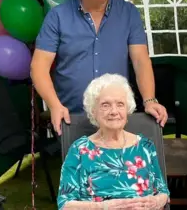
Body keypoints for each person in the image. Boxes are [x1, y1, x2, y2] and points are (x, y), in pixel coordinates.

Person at [31, 0, 167, 135]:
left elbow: (140, 60)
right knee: (77, 166)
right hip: (71, 117)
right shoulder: (57, 16)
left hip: (116, 118)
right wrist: (54, 105)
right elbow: (39, 67)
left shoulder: (128, 13)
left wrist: (150, 100)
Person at [57, 73, 169, 210]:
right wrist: (103, 207)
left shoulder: (145, 146)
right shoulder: (80, 150)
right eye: (105, 105)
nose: (114, 111)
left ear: (128, 110)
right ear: (93, 111)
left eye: (120, 104)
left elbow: (163, 192)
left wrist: (156, 202)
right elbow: (64, 204)